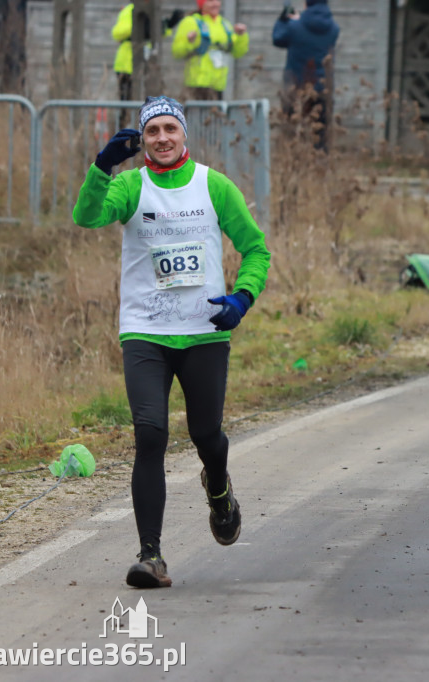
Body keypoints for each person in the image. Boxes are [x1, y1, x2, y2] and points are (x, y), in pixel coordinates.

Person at [72, 96, 271, 588]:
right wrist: (101, 167)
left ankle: (219, 489)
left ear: (184, 134)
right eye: (152, 131)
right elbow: (87, 216)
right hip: (145, 331)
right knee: (151, 435)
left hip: (204, 331)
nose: (162, 138)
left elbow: (256, 248)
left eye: (170, 129)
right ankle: (151, 556)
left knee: (206, 435)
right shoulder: (129, 185)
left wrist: (242, 298)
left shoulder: (213, 185)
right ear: (142, 140)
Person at [272, 0, 340, 146]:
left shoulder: (294, 26)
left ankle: (294, 164)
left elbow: (278, 39)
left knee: (292, 131)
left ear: (306, 4)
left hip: (295, 86)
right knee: (321, 135)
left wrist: (284, 20)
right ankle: (320, 165)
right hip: (322, 87)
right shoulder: (334, 28)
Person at [112, 4, 185, 127]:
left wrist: (169, 24)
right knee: (126, 104)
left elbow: (157, 32)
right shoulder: (130, 10)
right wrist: (138, 27)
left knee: (149, 103)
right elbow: (117, 33)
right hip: (126, 66)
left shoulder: (153, 9)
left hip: (148, 65)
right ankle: (125, 132)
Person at [171, 0, 249, 100]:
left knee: (215, 115)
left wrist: (241, 36)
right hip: (196, 84)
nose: (215, 4)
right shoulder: (190, 22)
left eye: (217, 1)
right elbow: (177, 52)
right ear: (201, 4)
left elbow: (238, 52)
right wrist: (189, 42)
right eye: (210, 1)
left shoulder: (224, 24)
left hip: (218, 85)